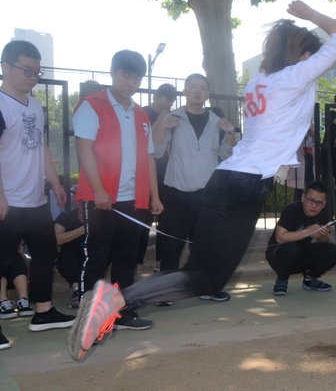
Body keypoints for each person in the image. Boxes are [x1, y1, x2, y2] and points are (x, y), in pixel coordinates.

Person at [67, 0, 336, 361]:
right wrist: (310, 15)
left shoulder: (259, 81)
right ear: (304, 56)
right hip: (246, 186)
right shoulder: (294, 77)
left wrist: (294, 32)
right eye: (311, 57)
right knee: (207, 277)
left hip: (223, 179)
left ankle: (115, 302)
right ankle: (114, 301)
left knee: (198, 271)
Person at [73, 49, 164, 330]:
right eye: (126, 75)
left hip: (134, 200)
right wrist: (99, 190)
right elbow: (84, 149)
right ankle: (88, 316)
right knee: (98, 256)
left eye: (136, 78)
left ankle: (122, 313)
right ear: (112, 72)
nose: (131, 83)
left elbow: (148, 157)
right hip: (101, 198)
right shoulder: (92, 105)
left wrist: (154, 196)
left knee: (127, 258)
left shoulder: (141, 114)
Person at [0, 40, 75, 331]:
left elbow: (41, 146)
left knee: (45, 252)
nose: (33, 77)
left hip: (35, 201)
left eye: (37, 72)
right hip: (8, 200)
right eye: (27, 71)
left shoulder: (35, 105)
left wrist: (55, 183)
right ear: (6, 67)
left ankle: (43, 311)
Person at [152, 73, 236, 305]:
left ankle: (208, 288)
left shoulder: (216, 121)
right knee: (171, 244)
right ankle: (164, 292)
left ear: (208, 94)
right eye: (193, 87)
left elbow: (226, 155)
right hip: (177, 191)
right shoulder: (174, 118)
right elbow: (156, 152)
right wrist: (162, 127)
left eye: (202, 88)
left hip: (207, 194)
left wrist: (230, 132)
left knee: (207, 245)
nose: (198, 91)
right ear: (185, 91)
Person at [267, 181, 336, 296]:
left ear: (324, 203)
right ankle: (282, 278)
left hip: (302, 254)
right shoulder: (292, 209)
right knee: (291, 248)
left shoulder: (324, 213)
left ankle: (310, 279)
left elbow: (323, 241)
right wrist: (308, 232)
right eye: (311, 200)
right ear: (303, 198)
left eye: (319, 203)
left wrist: (323, 233)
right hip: (279, 255)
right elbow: (280, 238)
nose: (314, 206)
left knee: (334, 250)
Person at [138, 83, 178, 275]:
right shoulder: (143, 113)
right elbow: (143, 140)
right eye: (162, 105)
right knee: (143, 222)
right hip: (145, 174)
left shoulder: (171, 116)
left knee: (166, 222)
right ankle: (137, 262)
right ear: (155, 97)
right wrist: (160, 122)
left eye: (168, 106)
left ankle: (160, 261)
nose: (164, 109)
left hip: (165, 175)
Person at [54, 204, 85, 309]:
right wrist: (84, 229)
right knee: (69, 245)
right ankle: (76, 291)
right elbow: (56, 240)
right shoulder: (66, 217)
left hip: (93, 260)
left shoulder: (103, 218)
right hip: (69, 262)